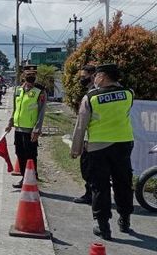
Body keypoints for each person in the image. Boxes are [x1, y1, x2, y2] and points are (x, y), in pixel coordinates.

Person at [70, 64, 134, 241]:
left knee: (100, 186)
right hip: (123, 143)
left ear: (104, 76)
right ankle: (125, 220)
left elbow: (81, 126)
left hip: (98, 147)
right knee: (123, 183)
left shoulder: (91, 97)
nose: (94, 79)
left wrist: (75, 149)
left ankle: (103, 226)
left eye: (97, 76)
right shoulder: (128, 94)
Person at [5, 68, 47, 188]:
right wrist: (10, 123)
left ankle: (32, 179)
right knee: (20, 153)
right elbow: (15, 108)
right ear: (23, 76)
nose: (30, 76)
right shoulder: (18, 90)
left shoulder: (39, 92)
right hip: (18, 129)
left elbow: (41, 112)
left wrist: (37, 129)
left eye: (33, 74)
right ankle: (24, 178)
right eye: (28, 74)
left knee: (31, 155)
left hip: (30, 130)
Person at [73, 64, 97, 205]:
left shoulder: (94, 94)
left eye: (84, 77)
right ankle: (91, 194)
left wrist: (77, 145)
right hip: (91, 137)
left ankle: (92, 195)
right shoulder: (90, 92)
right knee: (87, 168)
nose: (82, 79)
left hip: (93, 138)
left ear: (93, 76)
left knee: (89, 169)